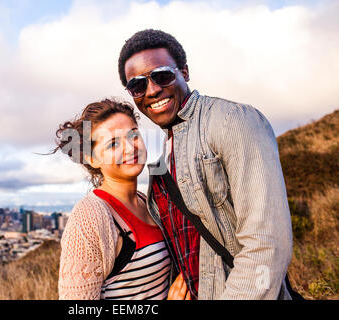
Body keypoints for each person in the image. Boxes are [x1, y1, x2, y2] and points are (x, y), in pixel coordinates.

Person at [117, 29, 294, 300]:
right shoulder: (162, 158)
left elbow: (266, 245)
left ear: (184, 72)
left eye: (162, 75)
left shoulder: (232, 120)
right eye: (138, 85)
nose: (152, 90)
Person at [55, 99, 184, 300]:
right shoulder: (90, 218)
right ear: (93, 159)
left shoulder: (150, 201)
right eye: (113, 143)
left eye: (133, 135)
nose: (130, 148)